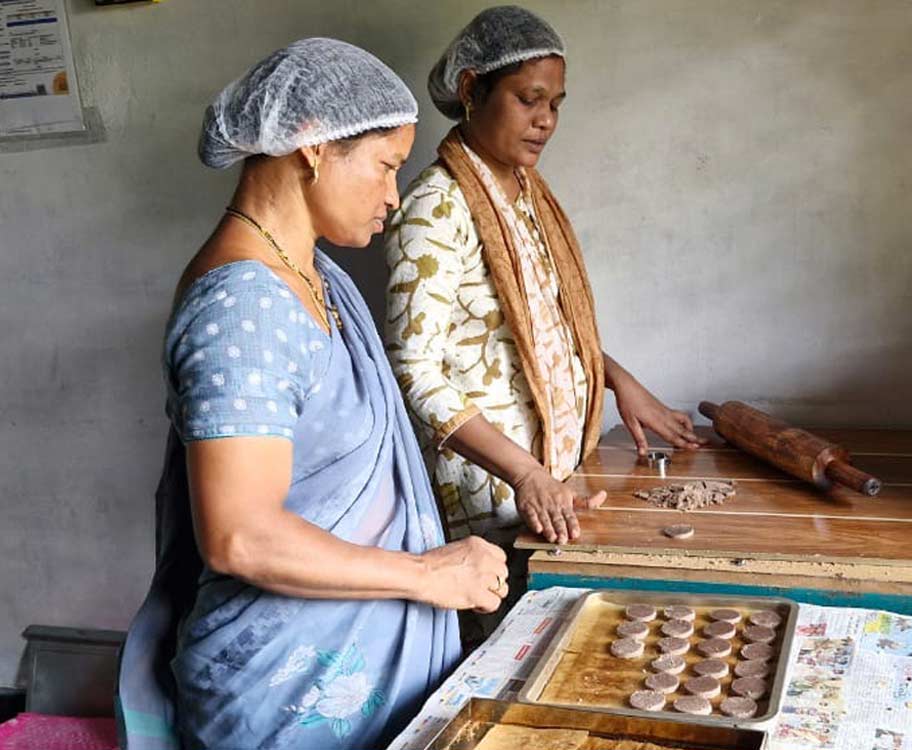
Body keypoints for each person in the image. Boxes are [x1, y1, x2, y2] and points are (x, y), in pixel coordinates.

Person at [116, 38, 508, 750]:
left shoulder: (314, 277)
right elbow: (243, 534)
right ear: (314, 148)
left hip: (344, 676)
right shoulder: (245, 306)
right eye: (387, 165)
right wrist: (427, 574)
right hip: (286, 697)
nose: (395, 194)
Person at [385, 6, 704, 644]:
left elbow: (545, 322)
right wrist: (526, 473)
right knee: (504, 663)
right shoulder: (434, 209)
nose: (546, 121)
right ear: (472, 89)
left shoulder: (525, 194)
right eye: (530, 99)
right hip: (492, 502)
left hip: (553, 484)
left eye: (556, 103)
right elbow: (412, 370)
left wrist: (617, 380)